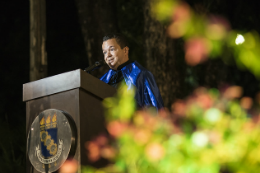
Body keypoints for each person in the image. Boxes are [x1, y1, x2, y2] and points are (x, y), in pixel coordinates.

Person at [100, 33, 164, 110]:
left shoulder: (141, 75)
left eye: (112, 49)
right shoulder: (103, 80)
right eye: (105, 52)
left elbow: (155, 108)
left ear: (125, 50)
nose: (108, 55)